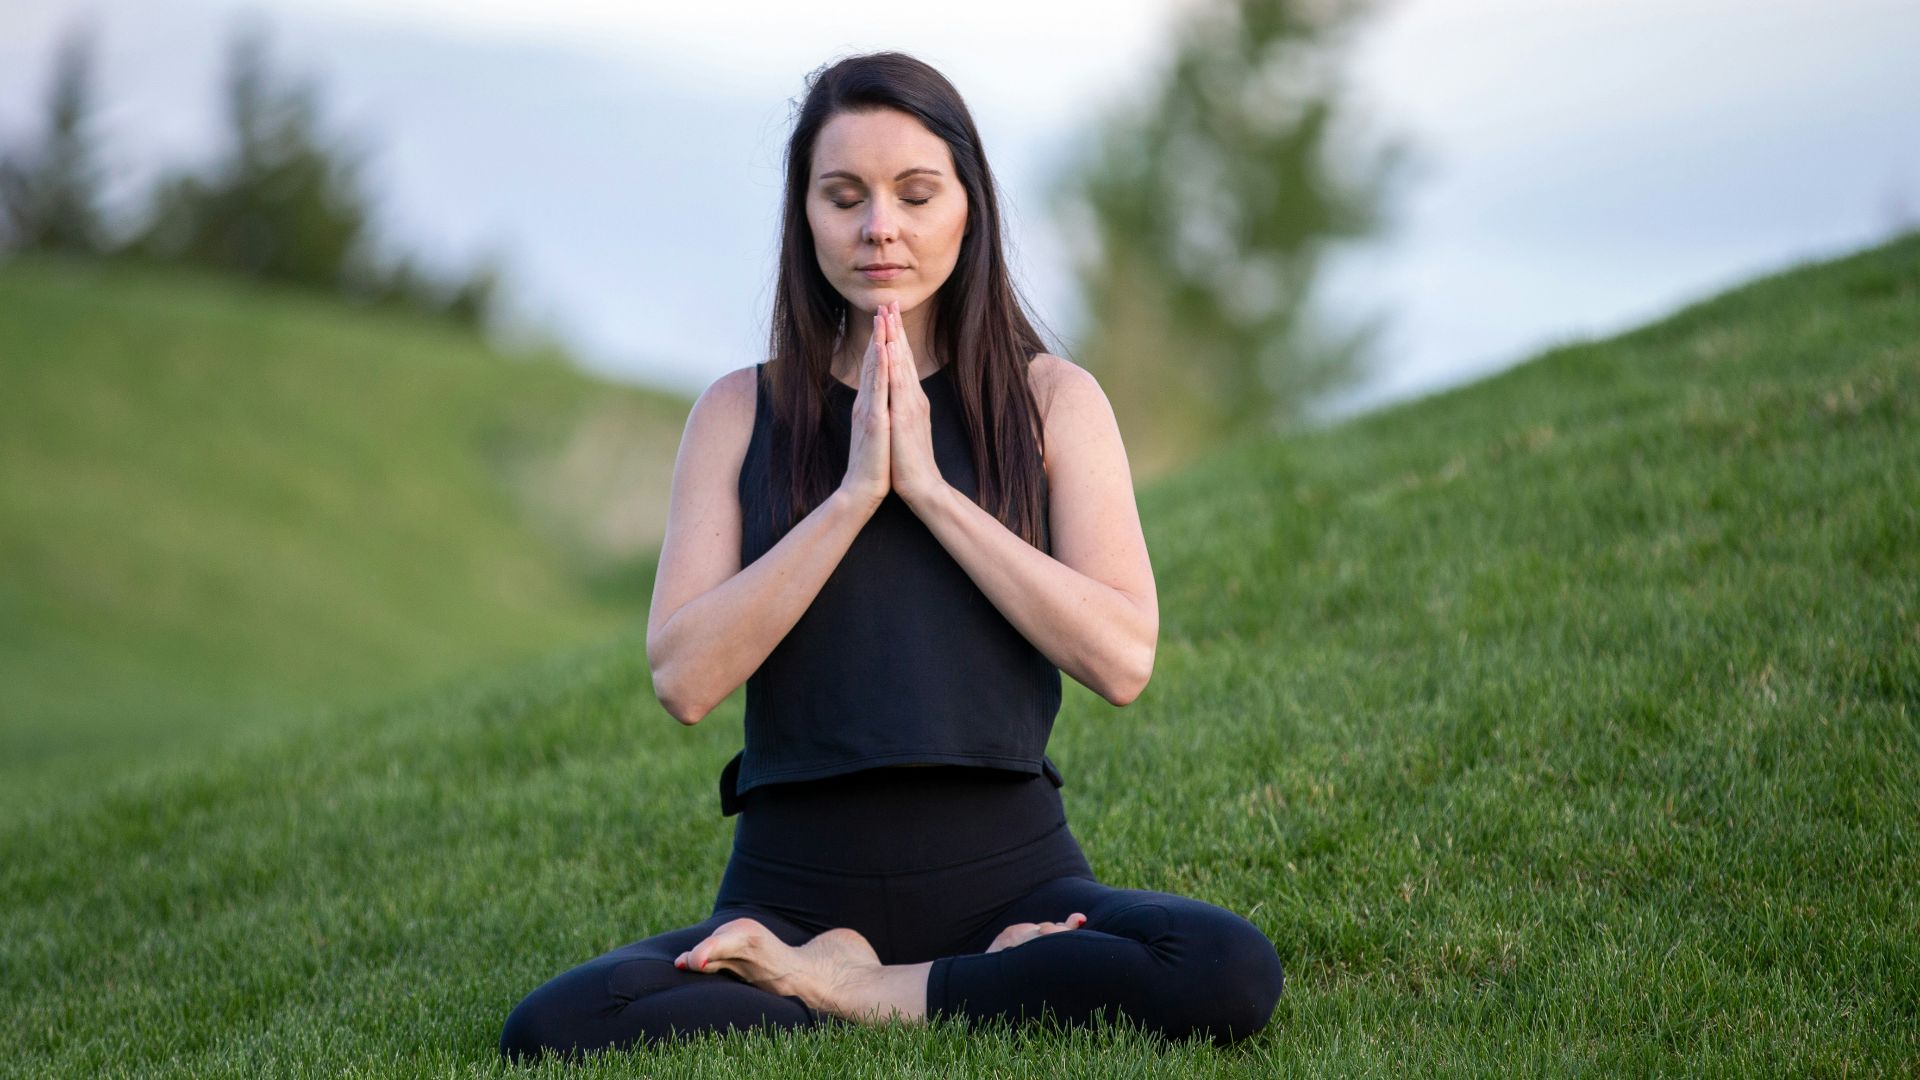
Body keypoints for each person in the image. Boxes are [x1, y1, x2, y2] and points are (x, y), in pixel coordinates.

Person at [497, 50, 1284, 1062]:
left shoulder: (1054, 403)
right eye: (844, 196)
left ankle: (858, 991)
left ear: (969, 205)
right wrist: (857, 491)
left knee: (1225, 968)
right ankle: (914, 979)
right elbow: (683, 678)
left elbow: (1123, 659)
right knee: (554, 1028)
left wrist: (931, 491)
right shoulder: (737, 413)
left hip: (1014, 878)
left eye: (916, 193)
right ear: (805, 215)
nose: (881, 227)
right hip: (791, 892)